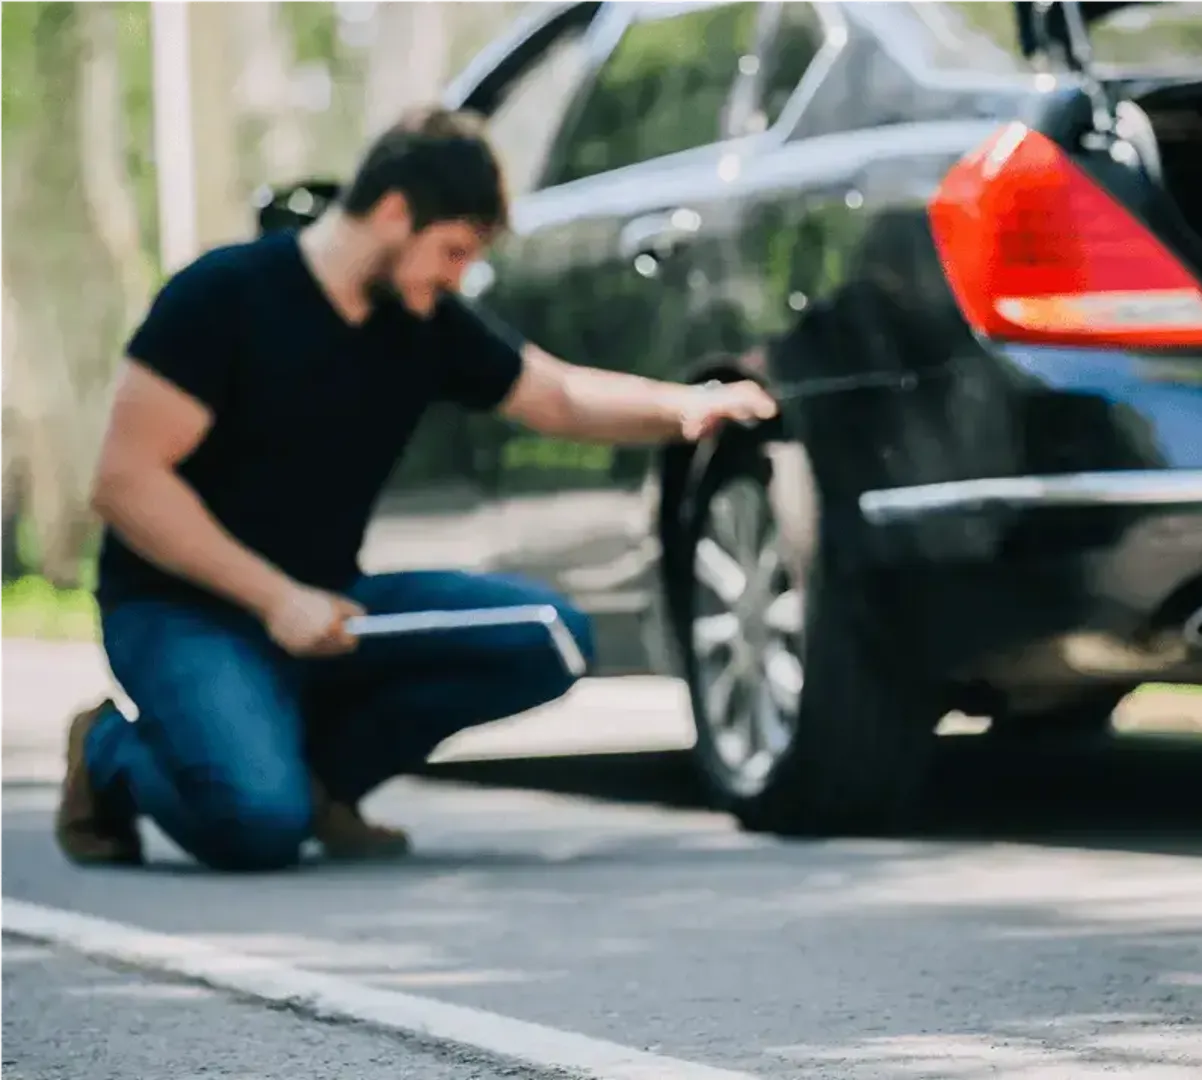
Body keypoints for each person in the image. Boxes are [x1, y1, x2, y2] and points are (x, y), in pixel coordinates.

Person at [54, 106, 778, 872]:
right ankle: (110, 753)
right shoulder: (223, 296)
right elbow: (125, 483)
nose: (459, 275)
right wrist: (274, 598)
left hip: (331, 604)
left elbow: (556, 397)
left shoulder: (422, 321)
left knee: (545, 635)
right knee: (258, 825)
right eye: (453, 251)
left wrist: (690, 407)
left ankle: (324, 782)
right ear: (395, 212)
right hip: (179, 610)